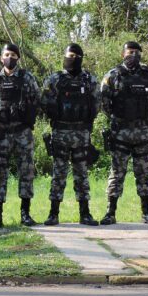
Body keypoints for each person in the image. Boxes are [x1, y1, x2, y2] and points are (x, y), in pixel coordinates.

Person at [100, 41, 148, 225]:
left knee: (143, 173)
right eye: (129, 52)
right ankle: (110, 213)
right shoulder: (113, 75)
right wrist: (119, 118)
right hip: (120, 133)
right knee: (117, 173)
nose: (132, 55)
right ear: (123, 54)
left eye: (136, 52)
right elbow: (104, 102)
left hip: (142, 133)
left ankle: (147, 213)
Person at [41, 44, 100, 226]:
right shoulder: (55, 79)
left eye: (75, 55)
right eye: (69, 55)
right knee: (58, 173)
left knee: (81, 174)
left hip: (82, 133)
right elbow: (44, 102)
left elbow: (97, 104)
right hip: (60, 132)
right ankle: (53, 213)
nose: (71, 58)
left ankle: (85, 213)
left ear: (81, 58)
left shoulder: (89, 79)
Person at [0, 43, 41, 229]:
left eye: (14, 55)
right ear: (1, 58)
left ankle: (25, 213)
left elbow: (37, 101)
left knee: (26, 172)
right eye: (7, 54)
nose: (10, 58)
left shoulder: (27, 78)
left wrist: (27, 116)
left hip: (22, 133)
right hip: (1, 133)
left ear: (18, 58)